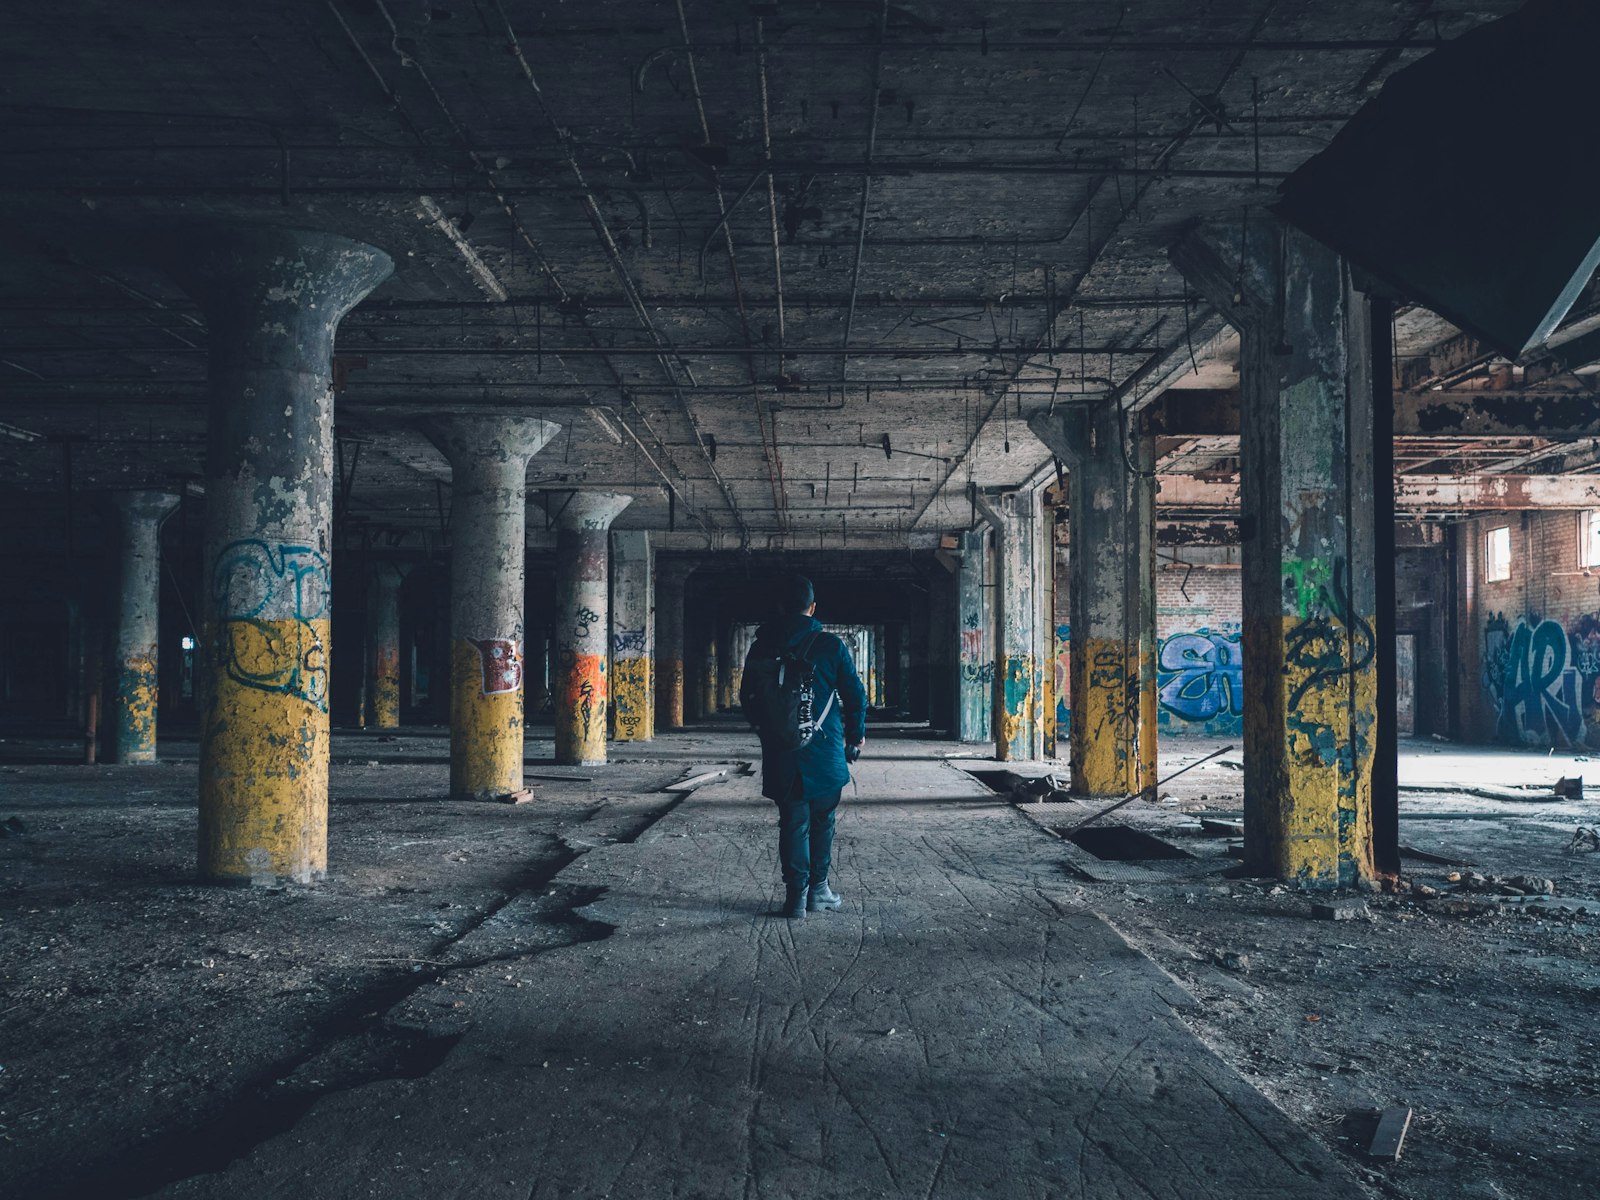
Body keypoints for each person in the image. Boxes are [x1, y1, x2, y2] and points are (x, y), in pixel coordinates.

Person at [739, 575, 867, 919]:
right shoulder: (830, 646)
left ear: (781, 607)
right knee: (822, 820)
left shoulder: (761, 646)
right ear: (813, 608)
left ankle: (796, 897)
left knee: (792, 821)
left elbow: (747, 698)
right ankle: (819, 890)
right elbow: (855, 695)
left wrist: (770, 731)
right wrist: (855, 734)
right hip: (824, 751)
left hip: (782, 751)